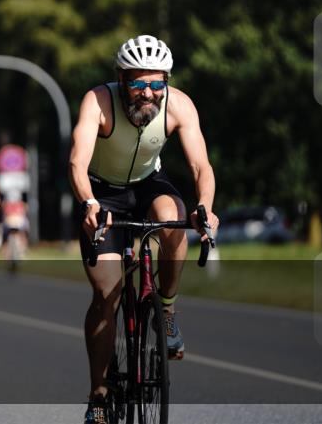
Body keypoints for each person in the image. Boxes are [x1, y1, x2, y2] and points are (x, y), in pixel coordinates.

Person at [70, 35, 220, 424]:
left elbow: (201, 167)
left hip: (148, 183)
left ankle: (165, 308)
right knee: (107, 293)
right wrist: (89, 203)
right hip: (101, 191)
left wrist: (206, 207)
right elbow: (76, 162)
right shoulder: (98, 101)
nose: (148, 93)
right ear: (122, 79)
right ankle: (99, 396)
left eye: (157, 84)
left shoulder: (179, 105)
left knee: (173, 216)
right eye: (139, 84)